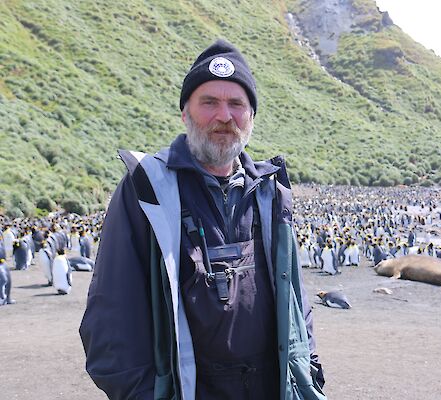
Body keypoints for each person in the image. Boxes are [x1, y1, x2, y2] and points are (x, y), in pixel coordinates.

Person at [80, 39, 326, 400]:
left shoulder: (270, 192)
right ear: (185, 113)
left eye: (236, 104)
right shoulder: (147, 190)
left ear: (251, 117)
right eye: (209, 102)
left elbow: (294, 298)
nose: (224, 116)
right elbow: (111, 316)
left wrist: (309, 373)